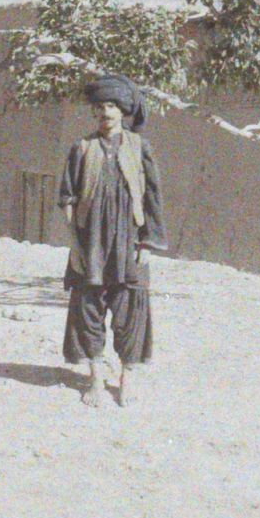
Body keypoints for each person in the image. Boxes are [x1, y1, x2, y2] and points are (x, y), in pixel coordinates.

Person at [57, 73, 167, 406]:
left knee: (130, 311)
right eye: (100, 106)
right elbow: (67, 199)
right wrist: (75, 245)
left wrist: (146, 244)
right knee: (88, 308)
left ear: (122, 111)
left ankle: (125, 382)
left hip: (129, 242)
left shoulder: (139, 147)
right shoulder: (82, 148)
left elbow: (152, 198)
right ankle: (95, 381)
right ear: (94, 111)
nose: (105, 112)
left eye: (111, 106)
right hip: (90, 243)